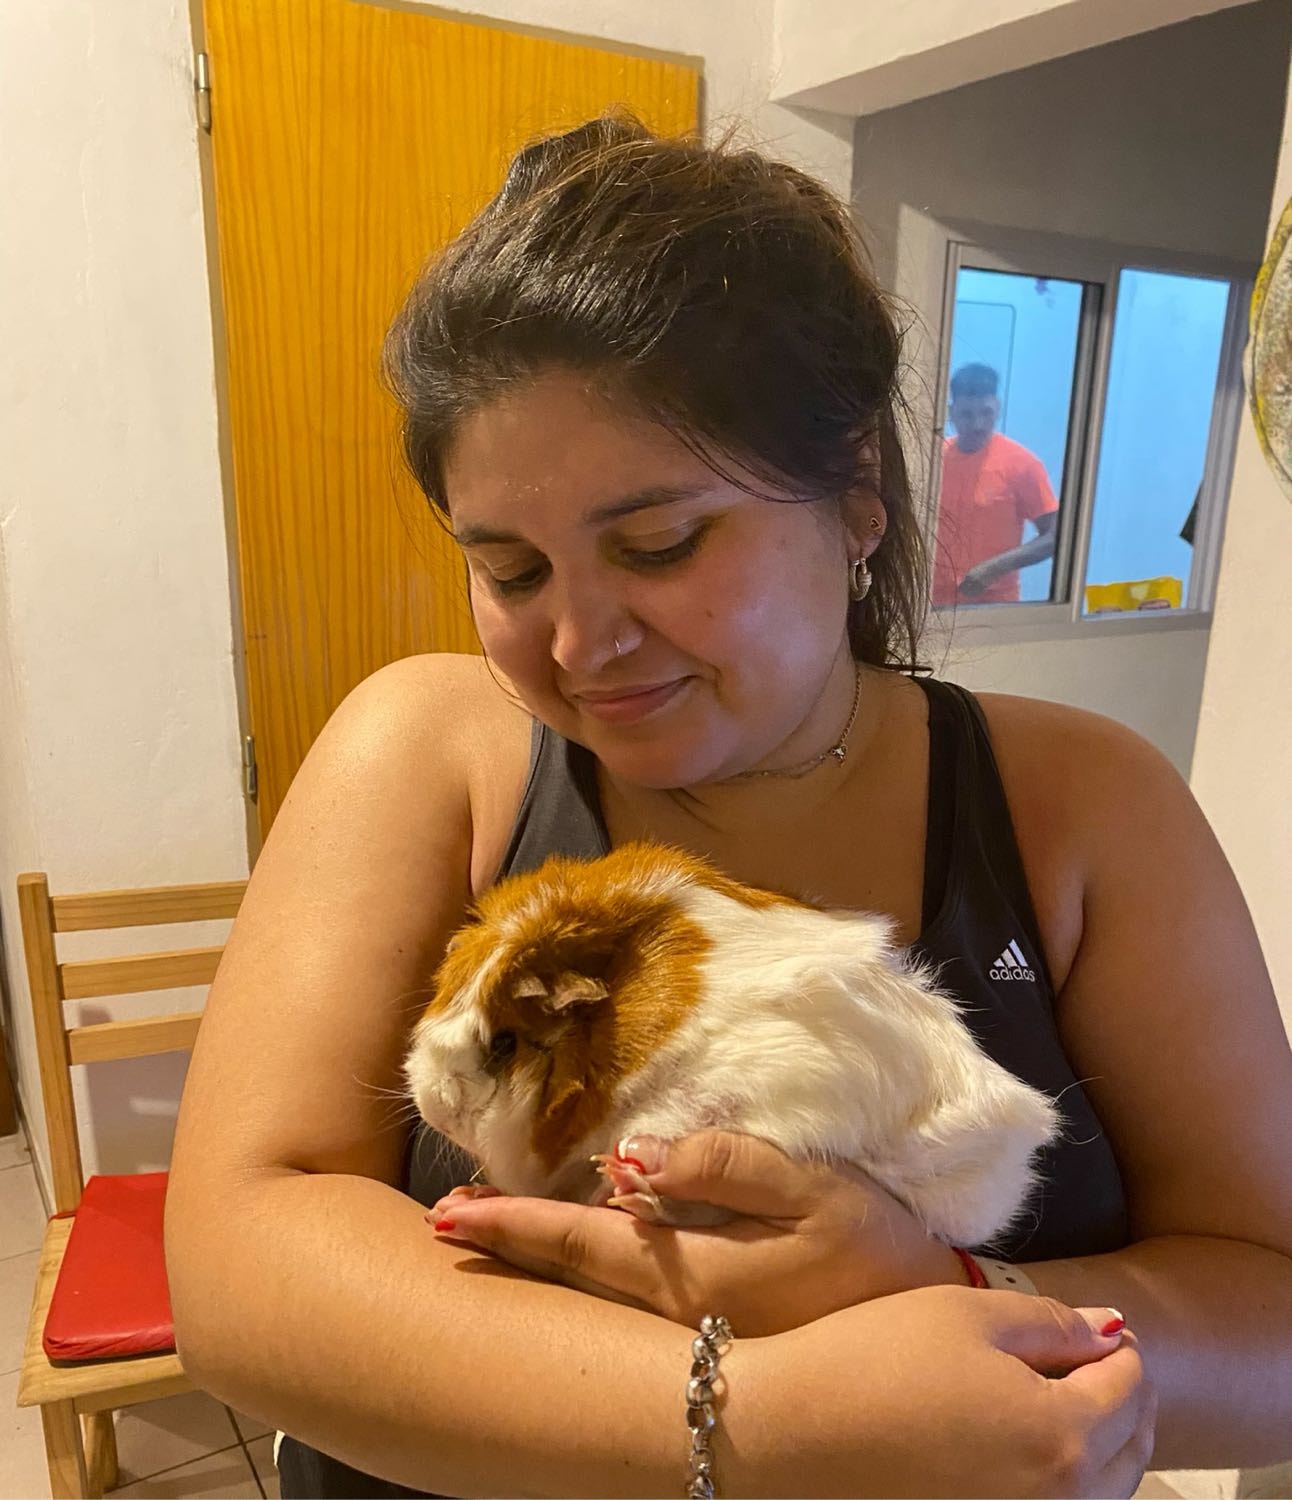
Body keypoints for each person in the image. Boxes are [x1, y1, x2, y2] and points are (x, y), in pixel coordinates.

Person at [164, 116, 1292, 1499]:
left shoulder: (1082, 808)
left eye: (660, 544)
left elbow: (1273, 1323)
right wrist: (764, 1416)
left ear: (857, 497)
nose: (577, 646)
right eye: (510, 572)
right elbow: (236, 1270)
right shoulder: (432, 753)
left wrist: (952, 1290)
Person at [931, 362, 1060, 606]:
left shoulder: (1022, 464)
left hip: (994, 607)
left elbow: (1056, 536)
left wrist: (995, 568)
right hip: (932, 603)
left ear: (998, 408)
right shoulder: (933, 459)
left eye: (986, 413)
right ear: (951, 413)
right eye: (967, 414)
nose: (978, 425)